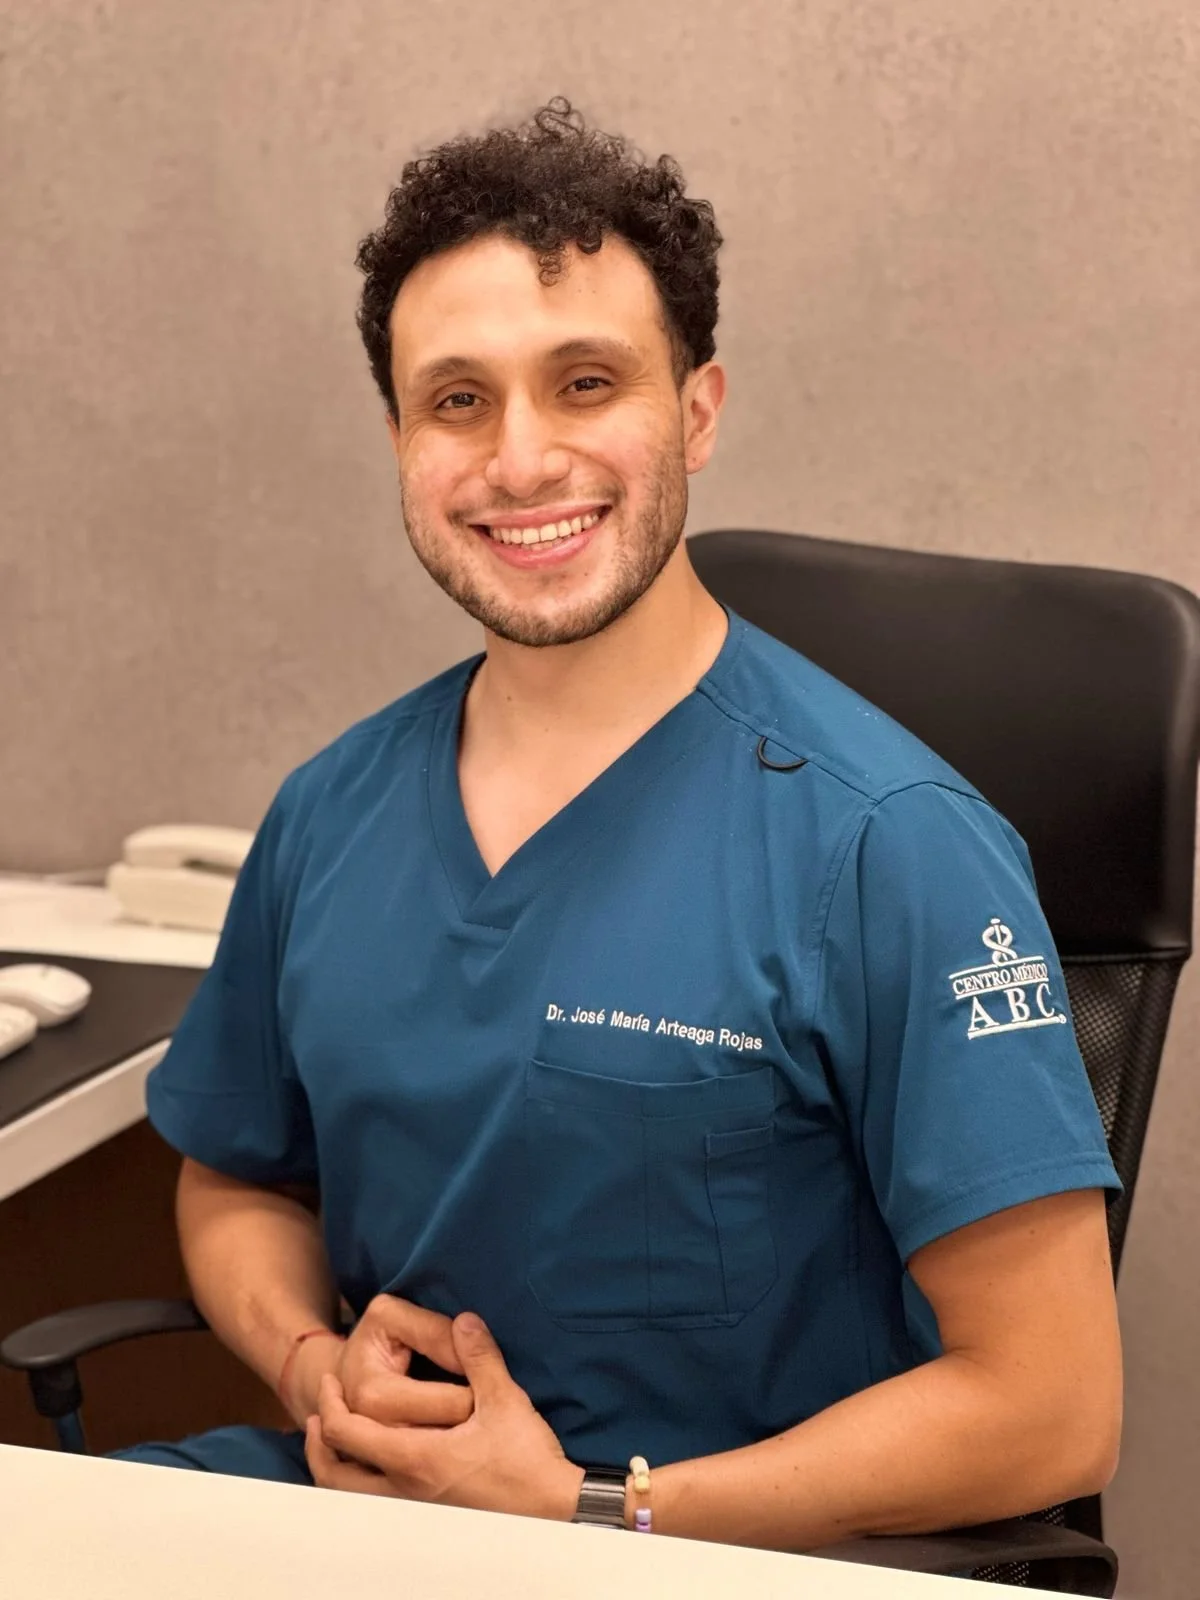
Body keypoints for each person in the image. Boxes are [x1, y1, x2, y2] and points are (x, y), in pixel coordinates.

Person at [114, 96, 1123, 1552]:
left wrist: (595, 1507)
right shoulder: (328, 812)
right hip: (382, 1523)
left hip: (725, 1551)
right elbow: (237, 1179)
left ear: (699, 411)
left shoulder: (887, 842)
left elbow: (1052, 1405)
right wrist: (307, 1362)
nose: (521, 460)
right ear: (400, 433)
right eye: (458, 399)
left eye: (586, 383)